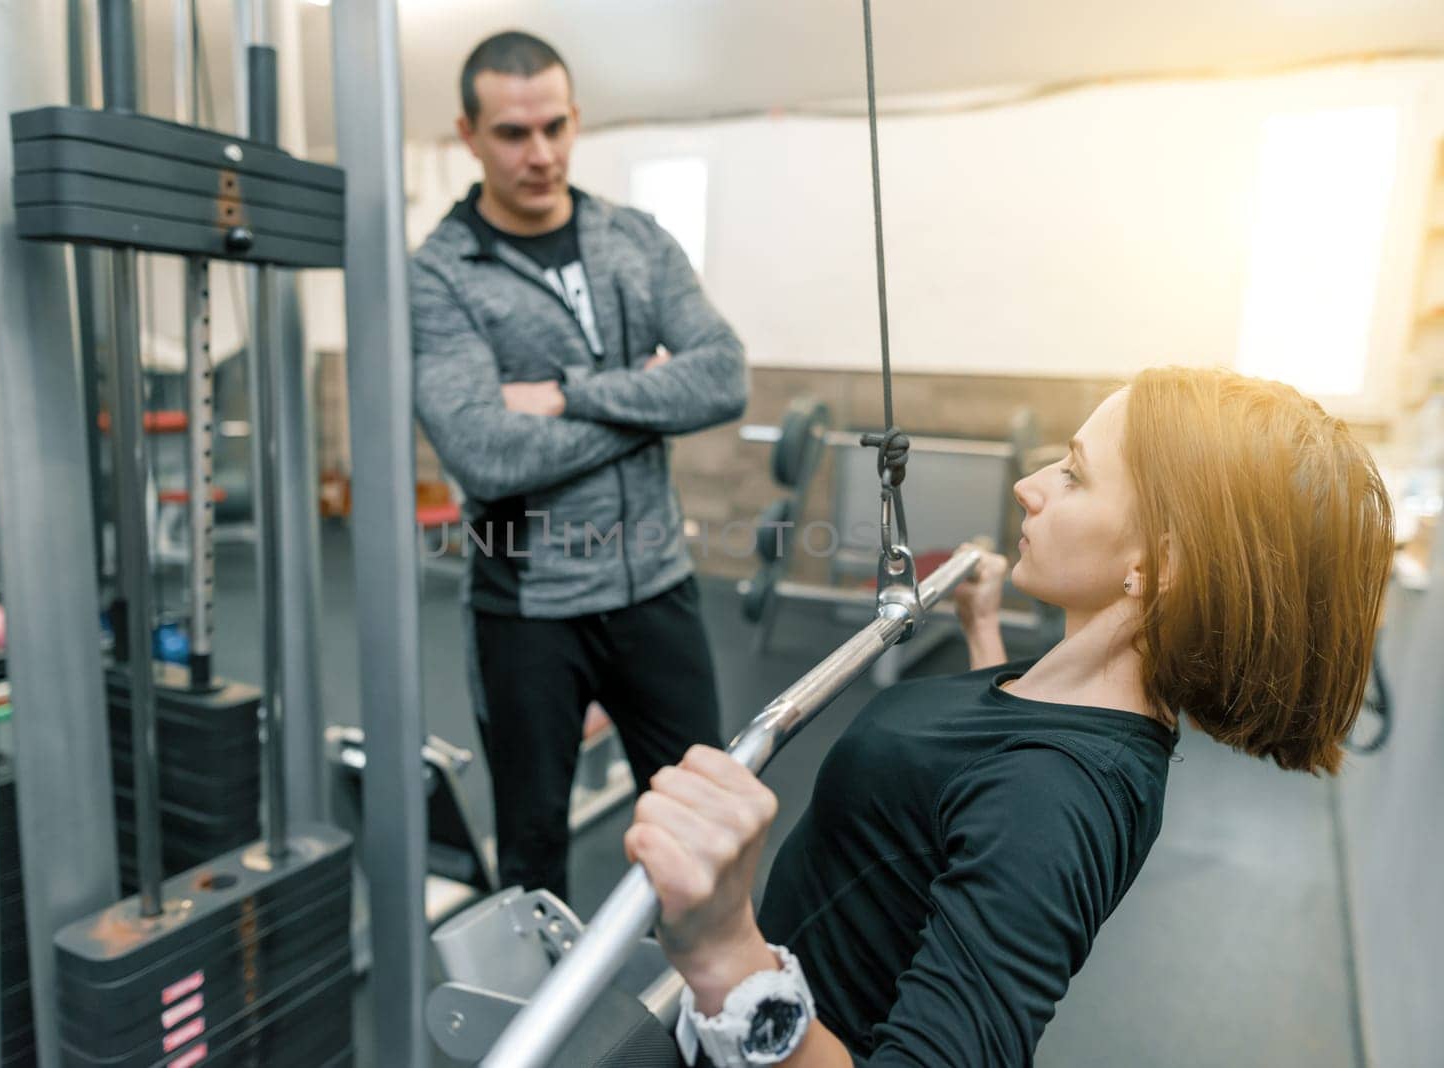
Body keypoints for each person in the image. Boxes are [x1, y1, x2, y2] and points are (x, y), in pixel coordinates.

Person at [621, 367, 1392, 1066]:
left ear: (1159, 565)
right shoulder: (1069, 695)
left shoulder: (1054, 799)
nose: (1029, 485)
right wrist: (983, 633)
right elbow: (974, 772)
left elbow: (1011, 790)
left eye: (1075, 476)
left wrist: (727, 953)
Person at [410, 31, 748, 901]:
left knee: (704, 823)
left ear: (575, 118)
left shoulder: (633, 238)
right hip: (529, 611)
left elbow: (723, 375)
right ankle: (539, 1033)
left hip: (656, 589)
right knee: (530, 854)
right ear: (470, 134)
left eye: (555, 127)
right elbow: (485, 451)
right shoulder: (439, 277)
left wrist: (565, 394)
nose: (541, 154)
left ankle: (708, 1010)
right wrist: (644, 403)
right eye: (514, 134)